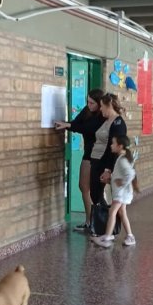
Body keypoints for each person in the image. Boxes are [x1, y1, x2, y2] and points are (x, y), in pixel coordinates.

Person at [54, 89, 105, 233]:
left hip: (98, 154)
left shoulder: (102, 116)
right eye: (87, 101)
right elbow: (76, 123)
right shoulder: (87, 110)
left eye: (92, 103)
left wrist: (69, 126)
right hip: (88, 152)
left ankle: (99, 221)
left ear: (100, 104)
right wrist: (66, 124)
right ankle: (90, 220)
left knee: (95, 190)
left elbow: (89, 128)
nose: (89, 105)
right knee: (84, 187)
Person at [91, 135, 138, 248]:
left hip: (121, 194)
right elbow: (121, 175)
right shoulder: (122, 158)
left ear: (119, 146)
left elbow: (130, 174)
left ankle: (107, 237)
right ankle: (130, 236)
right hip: (122, 193)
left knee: (112, 212)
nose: (111, 145)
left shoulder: (122, 160)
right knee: (122, 213)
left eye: (113, 143)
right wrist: (111, 180)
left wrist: (121, 182)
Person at [89, 93, 127, 216]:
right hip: (97, 160)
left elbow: (114, 149)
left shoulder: (118, 123)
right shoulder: (106, 120)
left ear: (109, 105)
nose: (100, 109)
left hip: (104, 163)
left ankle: (105, 225)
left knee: (98, 195)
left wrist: (108, 169)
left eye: (102, 106)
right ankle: (103, 225)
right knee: (96, 194)